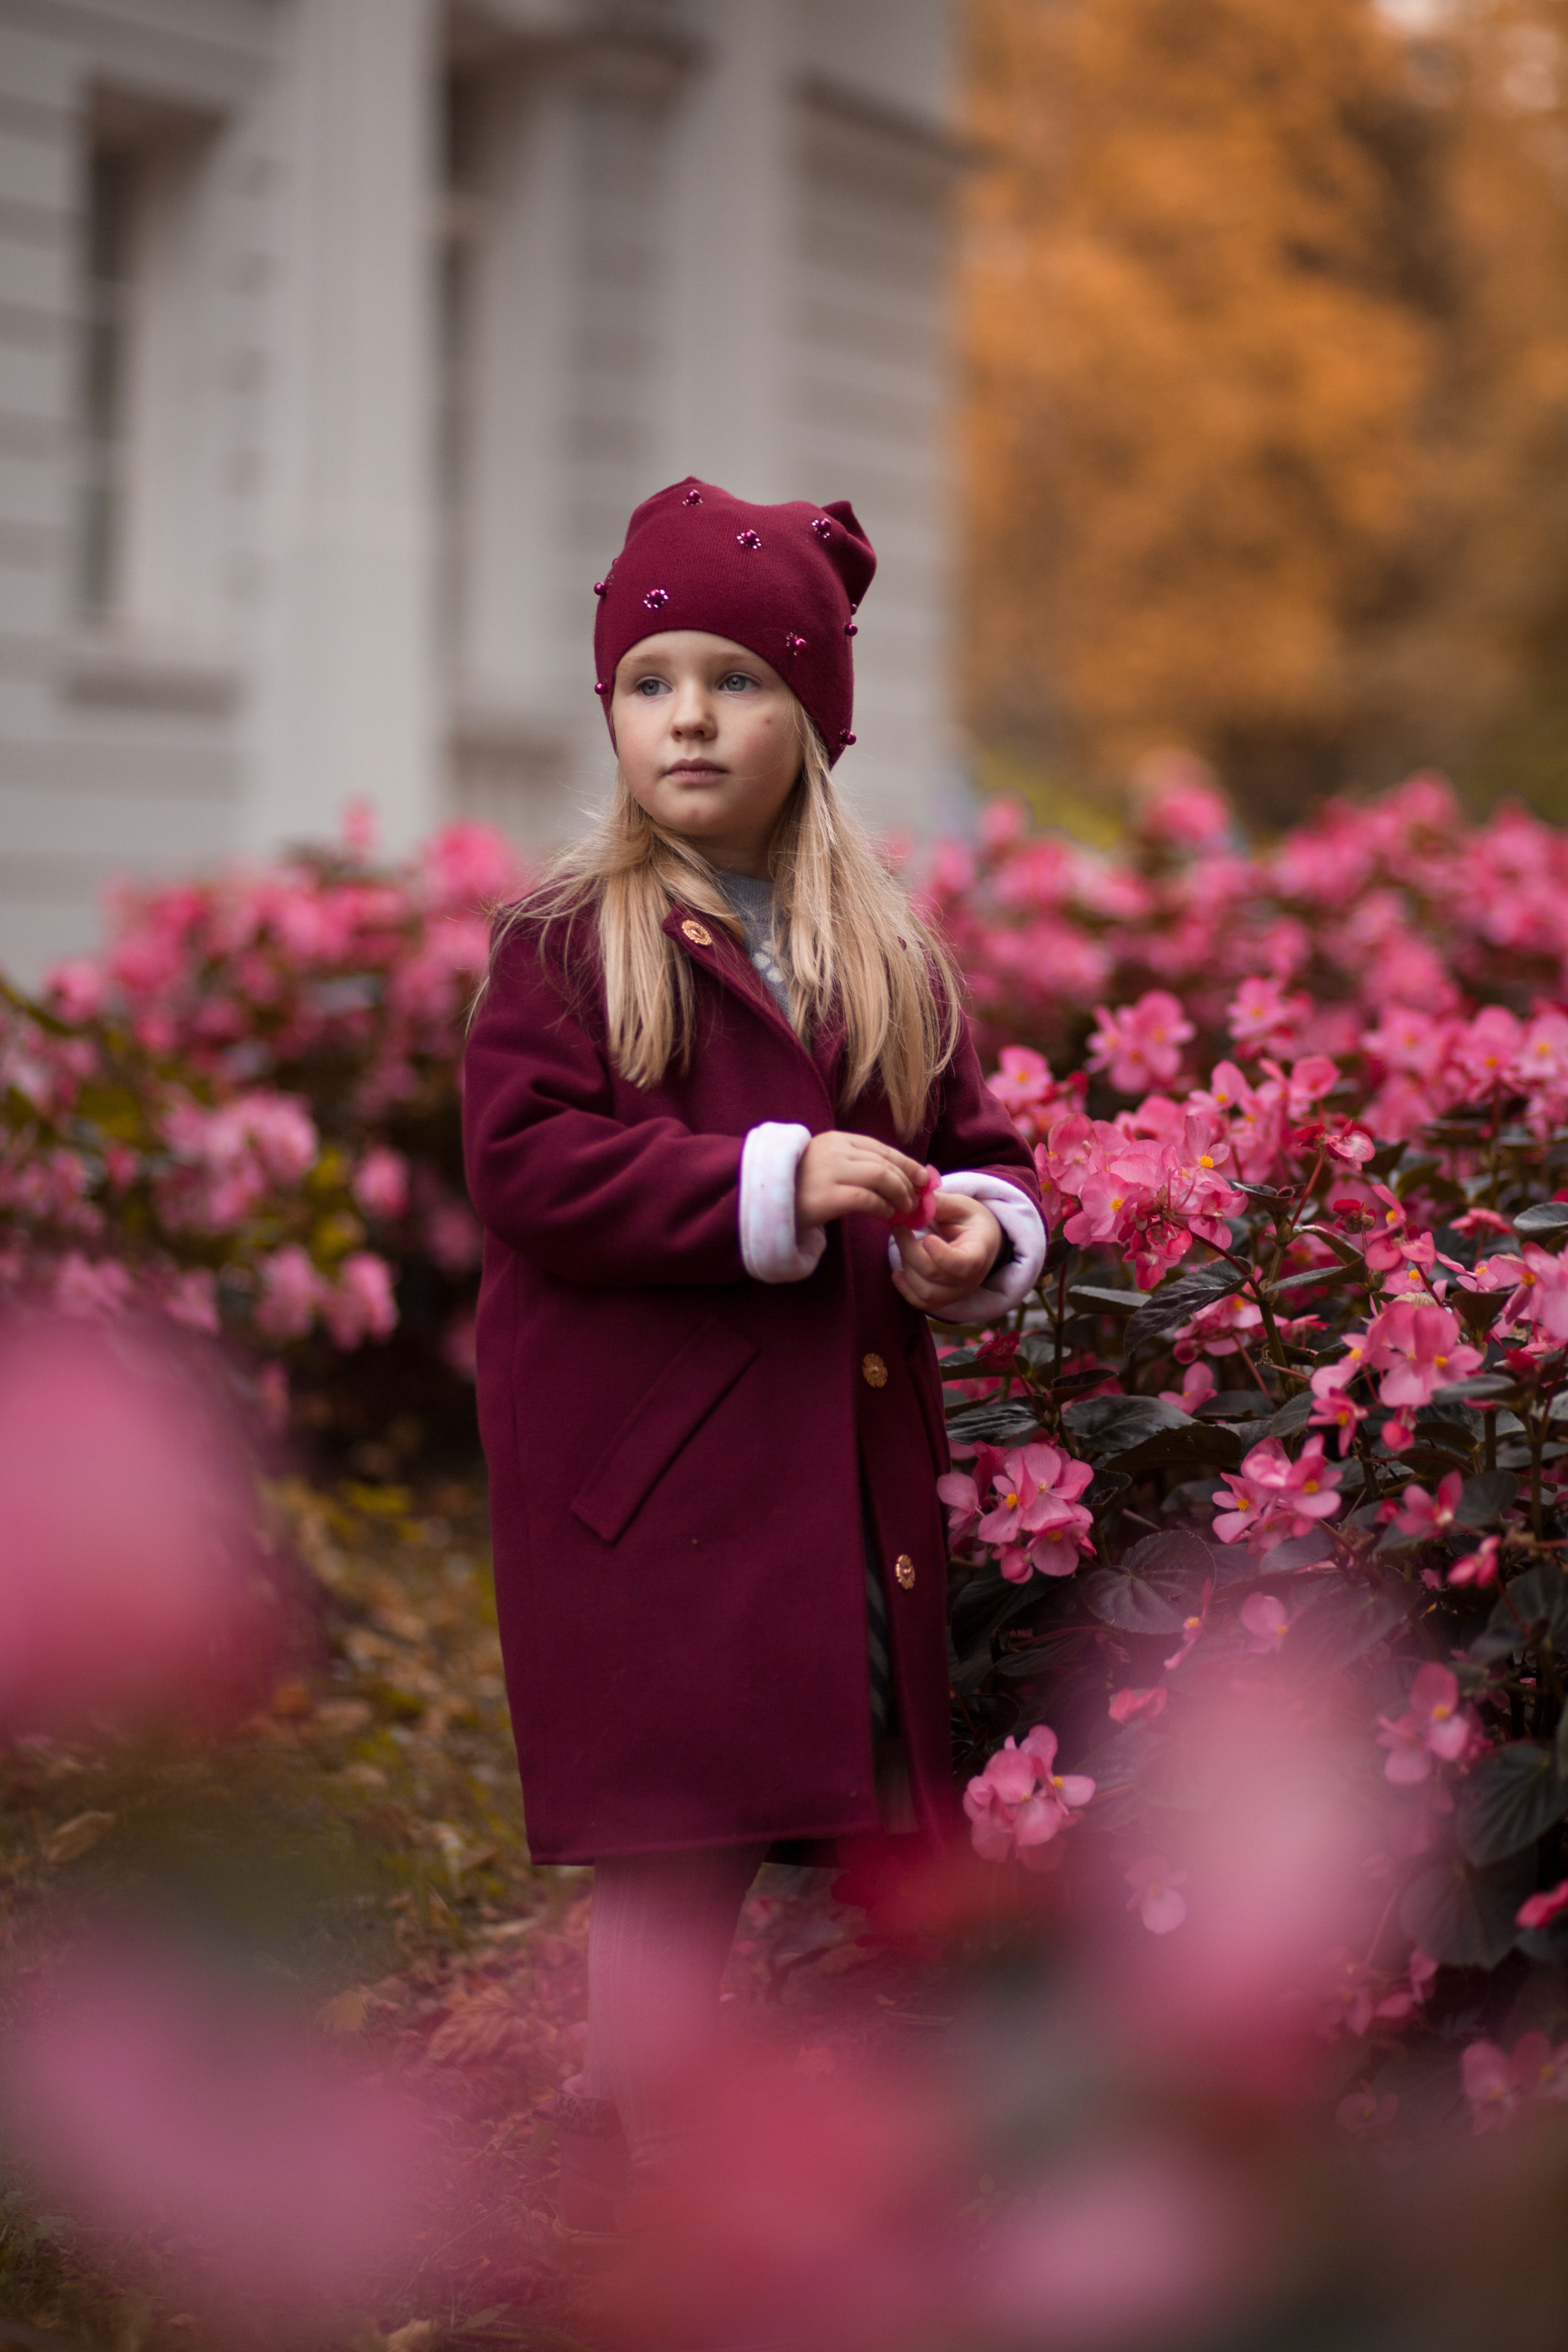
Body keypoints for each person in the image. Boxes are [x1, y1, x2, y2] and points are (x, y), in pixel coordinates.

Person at [462, 479, 1044, 2231]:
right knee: (674, 1857)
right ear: (614, 717)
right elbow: (536, 1169)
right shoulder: (569, 949)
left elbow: (986, 1140)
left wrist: (979, 1239)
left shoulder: (884, 955)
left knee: (885, 1826)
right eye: (652, 684)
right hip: (660, 1505)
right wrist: (774, 1181)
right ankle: (661, 2197)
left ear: (815, 719)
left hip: (840, 1491)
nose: (691, 717)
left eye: (738, 680)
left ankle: (910, 2173)